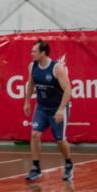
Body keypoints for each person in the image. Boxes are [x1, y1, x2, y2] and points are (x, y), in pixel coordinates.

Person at [24, 39, 74, 182]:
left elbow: (68, 90)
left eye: (34, 51)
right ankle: (36, 168)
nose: (31, 53)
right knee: (34, 134)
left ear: (43, 53)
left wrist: (61, 109)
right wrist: (27, 101)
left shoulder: (56, 68)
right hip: (41, 107)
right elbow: (31, 84)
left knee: (59, 140)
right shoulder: (32, 66)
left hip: (57, 108)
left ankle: (69, 164)